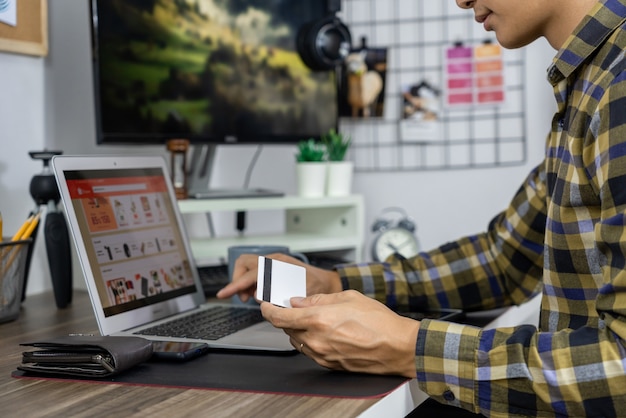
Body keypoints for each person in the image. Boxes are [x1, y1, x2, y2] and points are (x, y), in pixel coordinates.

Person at [217, 0, 626, 416]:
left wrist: (408, 348)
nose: (460, 0)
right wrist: (332, 283)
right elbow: (504, 259)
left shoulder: (620, 83)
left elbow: (621, 365)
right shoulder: (591, 84)